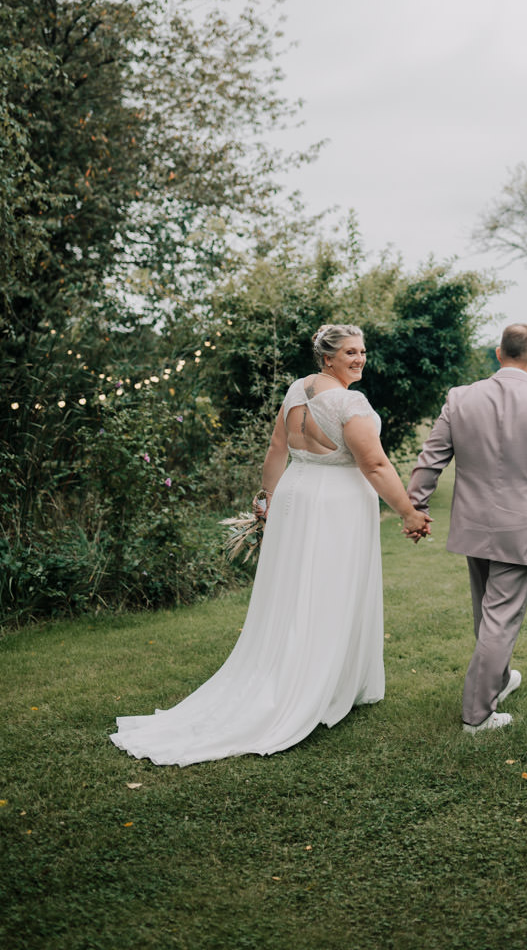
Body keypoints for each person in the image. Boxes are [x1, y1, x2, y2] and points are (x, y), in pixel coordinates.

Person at [111, 324, 430, 765]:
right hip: (333, 503)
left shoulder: (297, 390)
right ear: (328, 358)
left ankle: (315, 676)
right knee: (327, 591)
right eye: (350, 353)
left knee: (293, 590)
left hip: (296, 497)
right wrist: (409, 512)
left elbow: (277, 450)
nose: (360, 359)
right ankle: (312, 686)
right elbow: (373, 462)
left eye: (362, 351)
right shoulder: (347, 401)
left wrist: (269, 499)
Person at [407, 323, 527, 734]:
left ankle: (501, 680)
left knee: (488, 612)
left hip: (474, 525)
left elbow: (431, 458)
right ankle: (477, 716)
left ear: (498, 353)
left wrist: (415, 506)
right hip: (522, 531)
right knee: (500, 619)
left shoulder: (460, 398)